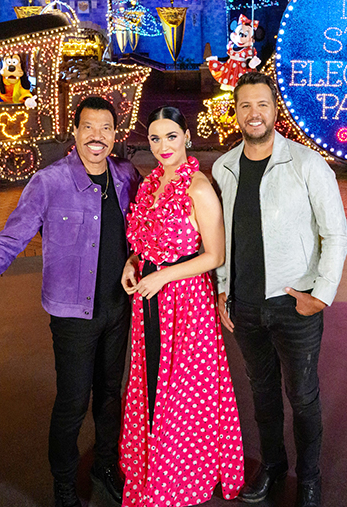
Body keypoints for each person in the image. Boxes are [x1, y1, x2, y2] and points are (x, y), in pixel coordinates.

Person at [0, 96, 139, 507]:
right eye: (88, 127)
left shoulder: (127, 175)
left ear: (115, 136)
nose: (97, 136)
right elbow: (11, 238)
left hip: (119, 309)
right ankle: (63, 485)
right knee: (73, 401)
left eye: (106, 128)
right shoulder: (49, 183)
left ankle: (105, 464)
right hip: (71, 314)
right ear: (75, 132)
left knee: (110, 394)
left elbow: (141, 233)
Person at [212, 72, 347, 507]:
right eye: (246, 105)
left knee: (303, 396)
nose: (255, 113)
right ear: (236, 113)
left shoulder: (308, 164)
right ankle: (273, 469)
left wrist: (322, 294)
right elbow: (222, 237)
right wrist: (222, 290)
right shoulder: (224, 167)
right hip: (245, 306)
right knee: (263, 394)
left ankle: (308, 478)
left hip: (295, 305)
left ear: (275, 110)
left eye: (262, 104)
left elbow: (336, 234)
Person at [118, 106, 245, 506]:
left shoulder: (199, 187)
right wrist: (133, 262)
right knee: (153, 381)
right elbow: (144, 240)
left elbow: (215, 255)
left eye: (171, 136)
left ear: (186, 136)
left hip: (186, 302)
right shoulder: (151, 182)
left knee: (185, 392)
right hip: (150, 296)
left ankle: (181, 475)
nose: (162, 146)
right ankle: (151, 465)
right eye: (155, 138)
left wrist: (162, 276)